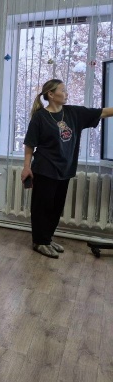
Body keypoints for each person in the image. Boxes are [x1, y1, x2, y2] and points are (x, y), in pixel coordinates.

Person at [22, 79, 113, 258]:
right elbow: (30, 144)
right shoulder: (40, 117)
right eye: (63, 90)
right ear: (51, 94)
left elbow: (102, 112)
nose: (66, 93)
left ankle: (47, 239)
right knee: (42, 207)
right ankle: (39, 242)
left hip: (65, 170)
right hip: (44, 168)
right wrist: (26, 167)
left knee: (56, 208)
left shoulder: (73, 113)